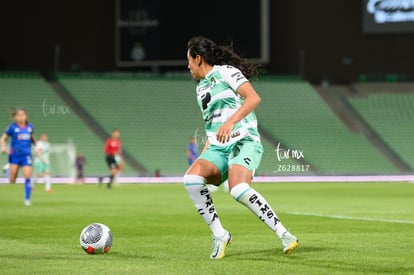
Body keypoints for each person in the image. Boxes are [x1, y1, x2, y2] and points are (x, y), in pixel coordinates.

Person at [183, 36, 299, 259]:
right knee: (191, 179)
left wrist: (231, 121)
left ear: (198, 59)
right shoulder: (200, 89)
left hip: (244, 141)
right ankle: (220, 235)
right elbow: (211, 127)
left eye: (188, 60)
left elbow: (253, 98)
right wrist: (207, 153)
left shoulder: (226, 71)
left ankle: (284, 234)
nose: (187, 66)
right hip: (219, 146)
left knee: (237, 189)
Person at [0, 108, 37, 206]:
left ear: (26, 116)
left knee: (27, 177)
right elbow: (3, 138)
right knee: (12, 180)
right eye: (19, 115)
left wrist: (37, 147)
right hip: (14, 156)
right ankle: (8, 169)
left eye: (23, 115)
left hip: (26, 156)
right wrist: (3, 147)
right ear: (15, 117)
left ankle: (27, 199)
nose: (21, 117)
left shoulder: (30, 127)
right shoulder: (12, 127)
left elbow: (33, 139)